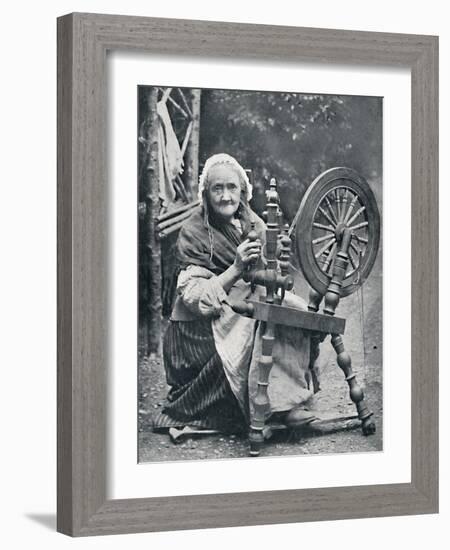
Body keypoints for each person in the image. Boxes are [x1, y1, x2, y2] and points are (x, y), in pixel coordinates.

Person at [153, 153, 319, 437]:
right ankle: (272, 408)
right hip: (198, 331)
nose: (226, 196)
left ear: (243, 191)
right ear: (205, 194)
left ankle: (289, 397)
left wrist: (276, 253)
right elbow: (197, 300)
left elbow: (269, 267)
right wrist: (236, 267)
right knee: (261, 319)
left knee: (294, 308)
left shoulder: (249, 220)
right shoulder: (193, 232)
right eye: (218, 188)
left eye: (232, 187)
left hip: (237, 306)